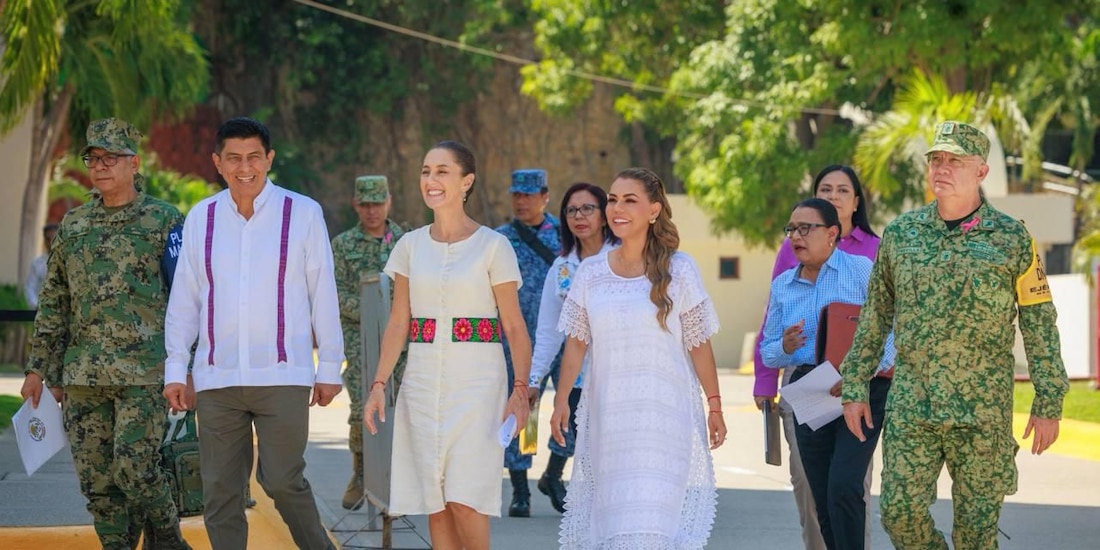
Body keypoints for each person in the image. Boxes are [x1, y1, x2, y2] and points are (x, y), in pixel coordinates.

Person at [841, 121, 1069, 549]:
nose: (942, 168)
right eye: (936, 160)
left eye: (955, 161)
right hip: (914, 406)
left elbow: (1039, 321)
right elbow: (874, 315)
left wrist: (1049, 400)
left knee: (977, 533)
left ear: (981, 171)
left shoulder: (1012, 238)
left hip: (982, 413)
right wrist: (855, 382)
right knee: (898, 512)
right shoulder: (901, 236)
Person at [163, 117, 343, 550]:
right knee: (220, 493)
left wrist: (330, 367)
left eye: (254, 157)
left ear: (269, 160)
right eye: (234, 158)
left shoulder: (302, 213)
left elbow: (323, 291)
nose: (245, 167)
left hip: (282, 374)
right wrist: (175, 367)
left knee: (282, 480)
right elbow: (185, 299)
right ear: (217, 163)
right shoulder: (200, 218)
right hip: (216, 378)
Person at [20, 118, 190, 550]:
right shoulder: (73, 225)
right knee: (98, 483)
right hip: (82, 377)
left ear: (134, 164)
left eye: (110, 157)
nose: (99, 166)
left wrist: (187, 367)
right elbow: (55, 301)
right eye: (93, 158)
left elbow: (188, 298)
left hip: (144, 373)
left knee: (136, 469)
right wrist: (39, 368)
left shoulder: (163, 220)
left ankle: (168, 539)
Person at [363, 140, 532, 550]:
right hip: (420, 385)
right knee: (434, 501)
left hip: (477, 386)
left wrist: (521, 391)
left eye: (442, 171)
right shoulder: (409, 246)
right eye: (425, 171)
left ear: (466, 181)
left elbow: (514, 325)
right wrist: (379, 385)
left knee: (465, 499)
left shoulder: (494, 246)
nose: (431, 180)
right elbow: (399, 322)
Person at [551, 167, 726, 549]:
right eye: (613, 199)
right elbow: (577, 343)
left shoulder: (681, 269)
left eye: (630, 200)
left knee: (654, 527)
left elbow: (698, 343)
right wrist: (561, 399)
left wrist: (715, 405)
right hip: (610, 420)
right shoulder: (591, 272)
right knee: (616, 525)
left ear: (654, 210)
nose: (617, 208)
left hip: (665, 420)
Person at [751, 165, 881, 550]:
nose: (796, 236)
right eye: (792, 230)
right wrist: (779, 357)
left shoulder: (866, 262)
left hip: (857, 386)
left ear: (833, 233)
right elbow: (769, 342)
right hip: (806, 389)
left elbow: (889, 327)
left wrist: (867, 374)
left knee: (848, 486)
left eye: (843, 190)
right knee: (815, 489)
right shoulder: (785, 277)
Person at [526, 182, 619, 514]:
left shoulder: (627, 257)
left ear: (605, 215)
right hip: (580, 380)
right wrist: (534, 380)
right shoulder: (562, 267)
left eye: (587, 208)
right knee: (592, 459)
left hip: (625, 375)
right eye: (571, 211)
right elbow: (549, 332)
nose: (579, 216)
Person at [330, 174, 407, 510]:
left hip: (403, 342)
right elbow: (335, 292)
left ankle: (399, 479)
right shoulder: (343, 245)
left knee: (403, 407)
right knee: (362, 405)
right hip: (359, 338)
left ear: (389, 201)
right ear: (355, 205)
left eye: (378, 203)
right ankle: (361, 472)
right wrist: (374, 312)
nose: (372, 211)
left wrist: (396, 319)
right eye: (366, 204)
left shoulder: (405, 241)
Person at [494, 168, 562, 517]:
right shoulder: (500, 239)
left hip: (562, 341)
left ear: (544, 195)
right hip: (517, 343)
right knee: (525, 412)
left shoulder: (566, 236)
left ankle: (554, 473)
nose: (521, 201)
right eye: (516, 195)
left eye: (528, 195)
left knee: (571, 408)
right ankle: (520, 491)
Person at [23, 223, 58, 308]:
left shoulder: (70, 263)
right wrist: (36, 306)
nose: (50, 242)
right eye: (47, 239)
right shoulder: (37, 263)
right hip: (43, 313)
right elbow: (30, 288)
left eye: (54, 238)